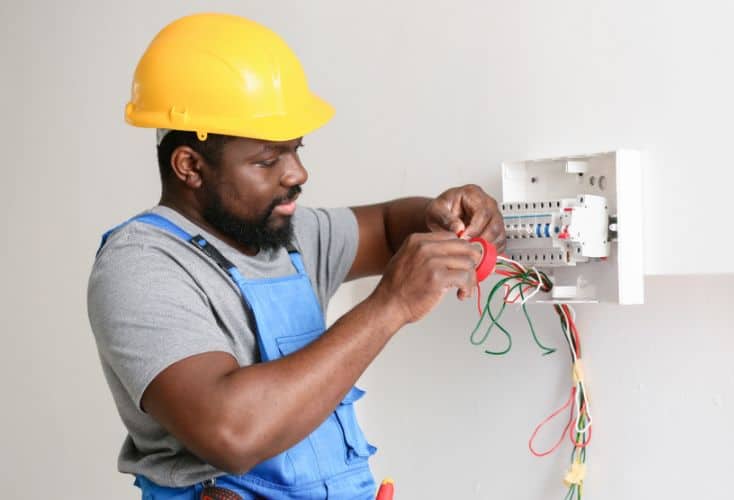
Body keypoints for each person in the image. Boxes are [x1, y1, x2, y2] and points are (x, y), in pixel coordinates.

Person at [88, 13, 506, 499]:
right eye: (268, 160)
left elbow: (392, 226)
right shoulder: (143, 265)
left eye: (296, 150)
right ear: (190, 166)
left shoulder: (287, 234)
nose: (297, 173)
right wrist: (390, 306)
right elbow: (232, 434)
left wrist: (448, 214)